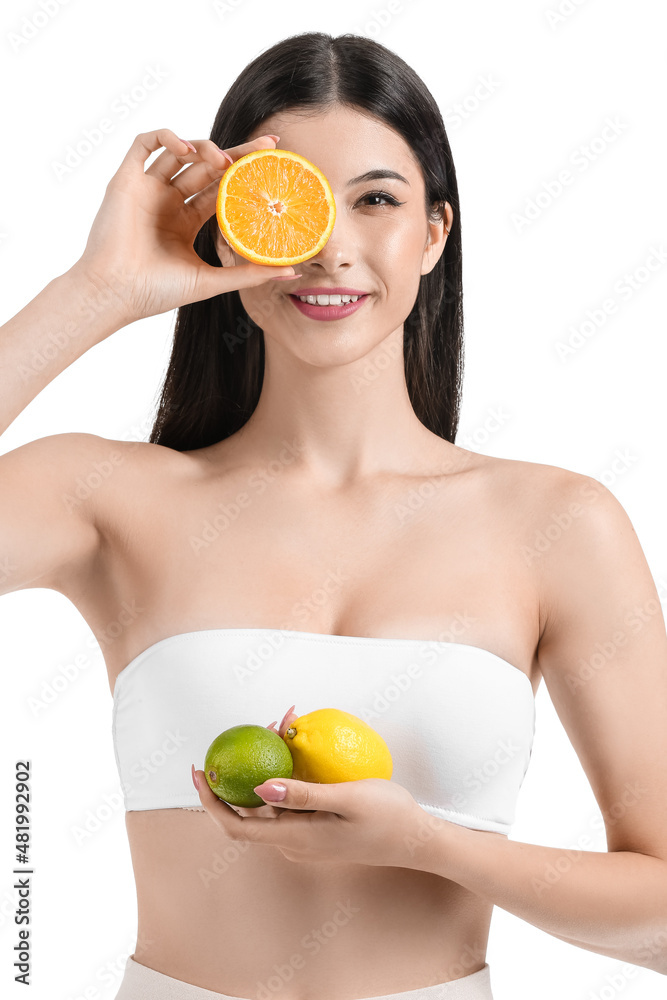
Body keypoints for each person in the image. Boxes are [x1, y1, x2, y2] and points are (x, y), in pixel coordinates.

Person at [2, 29, 667, 1000]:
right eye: (286, 199)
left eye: (377, 200)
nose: (331, 247)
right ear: (230, 226)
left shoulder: (557, 522)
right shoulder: (103, 499)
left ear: (435, 231)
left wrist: (431, 842)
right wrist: (94, 294)